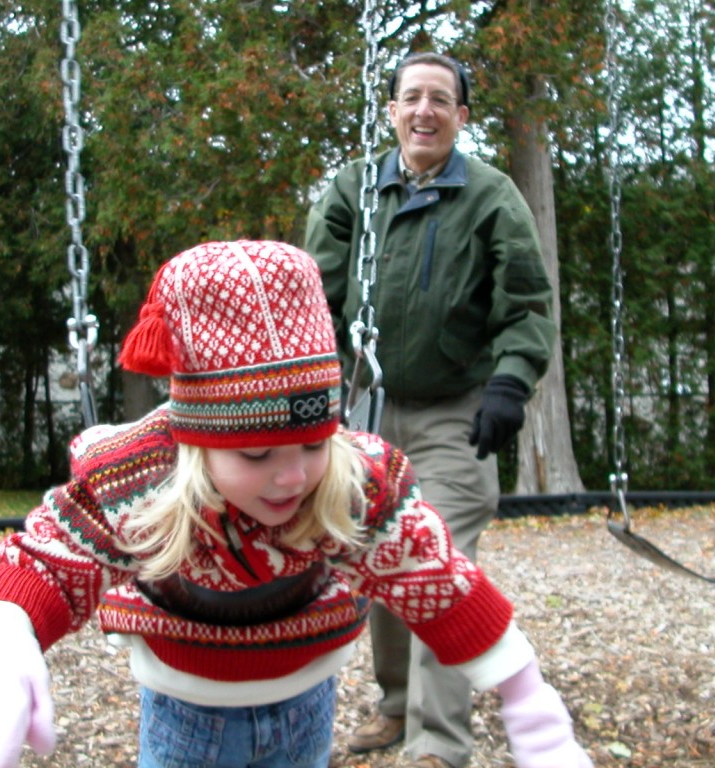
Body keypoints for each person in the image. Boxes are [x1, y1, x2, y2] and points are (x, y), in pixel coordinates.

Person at [0, 240, 587, 768]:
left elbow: (438, 580)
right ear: (196, 443)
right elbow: (46, 563)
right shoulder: (143, 480)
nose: (291, 478)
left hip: (308, 702)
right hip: (184, 717)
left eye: (312, 444)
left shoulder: (350, 483)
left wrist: (528, 699)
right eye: (255, 455)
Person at [304, 53, 557, 768]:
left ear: (461, 116)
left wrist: (510, 383)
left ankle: (438, 741)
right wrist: (309, 392)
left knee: (438, 559)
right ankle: (395, 704)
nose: (424, 111)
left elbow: (528, 304)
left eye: (440, 100)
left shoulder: (491, 196)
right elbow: (314, 294)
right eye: (411, 98)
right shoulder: (355, 190)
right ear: (391, 111)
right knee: (377, 557)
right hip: (367, 405)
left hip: (455, 410)